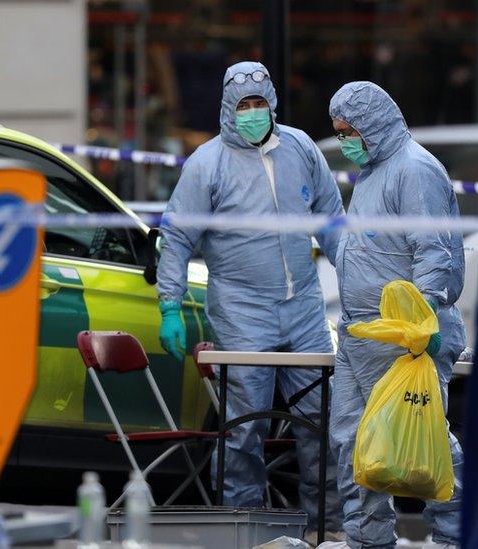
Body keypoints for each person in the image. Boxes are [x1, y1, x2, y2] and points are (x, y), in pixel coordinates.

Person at [156, 61, 344, 539]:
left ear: (273, 103)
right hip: (242, 313)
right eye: (244, 105)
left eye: (260, 103)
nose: (253, 113)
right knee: (245, 429)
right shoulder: (208, 163)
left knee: (319, 423)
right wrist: (170, 306)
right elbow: (176, 237)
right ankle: (246, 529)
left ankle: (327, 528)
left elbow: (332, 220)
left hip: (303, 307)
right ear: (227, 107)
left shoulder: (300, 148)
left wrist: (359, 282)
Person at [323, 82, 466, 549]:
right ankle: (368, 539)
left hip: (404, 337)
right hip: (362, 334)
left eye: (349, 131)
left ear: (372, 124)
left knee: (425, 443)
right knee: (354, 442)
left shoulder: (415, 169)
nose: (345, 140)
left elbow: (433, 252)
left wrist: (420, 323)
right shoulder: (373, 171)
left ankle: (457, 533)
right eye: (338, 132)